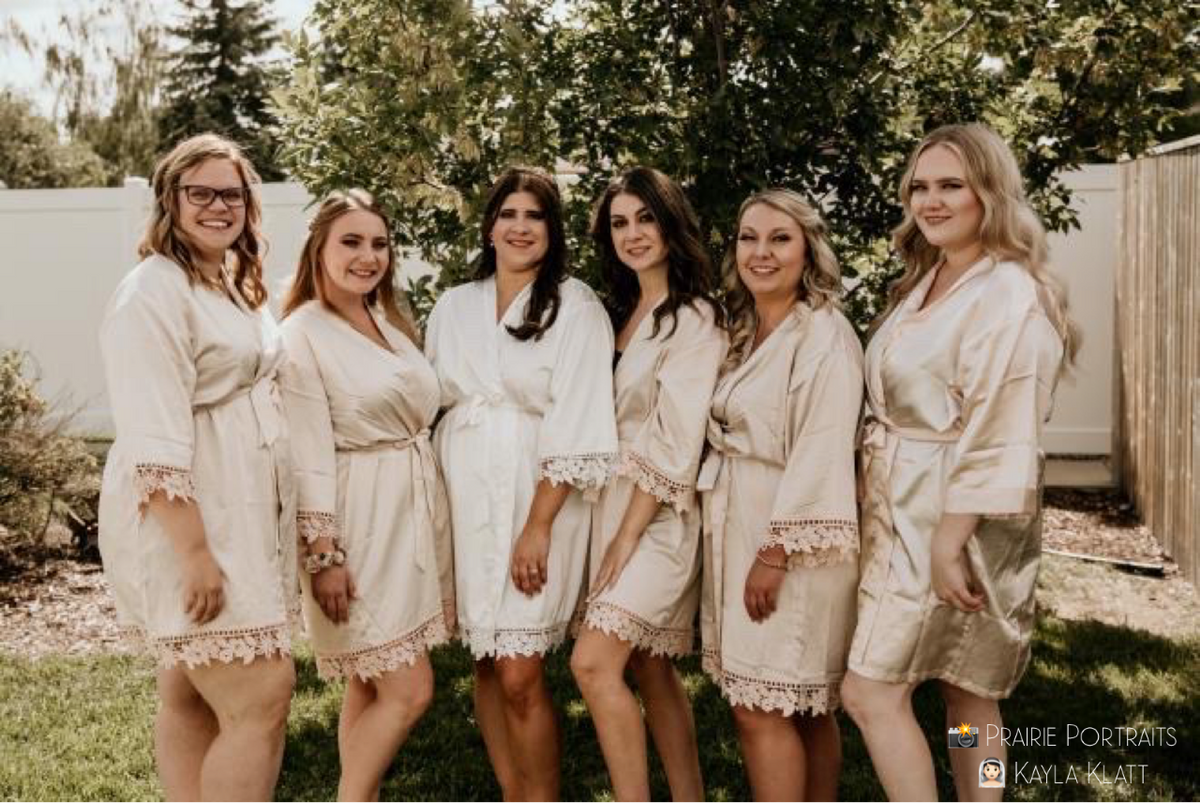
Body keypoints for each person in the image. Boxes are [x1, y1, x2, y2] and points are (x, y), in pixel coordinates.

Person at [841, 122, 1078, 803]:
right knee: (967, 691)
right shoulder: (932, 277)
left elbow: (1003, 422)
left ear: (989, 193)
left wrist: (950, 538)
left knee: (872, 690)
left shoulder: (1008, 292)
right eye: (920, 186)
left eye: (951, 185)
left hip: (956, 515)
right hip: (902, 503)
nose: (931, 201)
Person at [97, 133, 296, 803]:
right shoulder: (151, 292)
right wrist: (195, 554)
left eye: (230, 194)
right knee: (263, 691)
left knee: (189, 693)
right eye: (200, 193)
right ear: (170, 200)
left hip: (239, 504)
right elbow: (153, 438)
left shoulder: (231, 280)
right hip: (189, 517)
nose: (218, 206)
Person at [425, 166, 618, 803]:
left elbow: (578, 420)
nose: (520, 227)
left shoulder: (575, 306)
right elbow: (428, 400)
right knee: (486, 659)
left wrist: (537, 527)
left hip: (538, 500)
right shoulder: (454, 305)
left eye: (535, 216)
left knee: (520, 670)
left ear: (552, 230)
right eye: (508, 214)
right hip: (467, 497)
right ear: (488, 227)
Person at [278, 189, 455, 803]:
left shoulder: (387, 319)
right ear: (318, 249)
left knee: (368, 681)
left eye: (379, 244)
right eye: (351, 242)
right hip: (357, 522)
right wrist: (324, 554)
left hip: (408, 515)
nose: (368, 256)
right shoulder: (301, 333)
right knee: (409, 691)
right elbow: (306, 452)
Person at [699, 189, 863, 803]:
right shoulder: (746, 330)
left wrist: (774, 553)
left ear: (809, 250)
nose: (761, 252)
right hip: (743, 512)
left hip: (794, 535)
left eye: (780, 239)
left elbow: (822, 450)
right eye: (749, 238)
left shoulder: (822, 334)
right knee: (801, 706)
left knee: (762, 708)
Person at [570, 167, 725, 803]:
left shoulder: (696, 317)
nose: (632, 233)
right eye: (619, 223)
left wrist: (626, 537)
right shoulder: (620, 314)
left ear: (671, 224)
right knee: (649, 664)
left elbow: (675, 438)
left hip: (657, 513)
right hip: (608, 504)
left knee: (592, 662)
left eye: (645, 218)